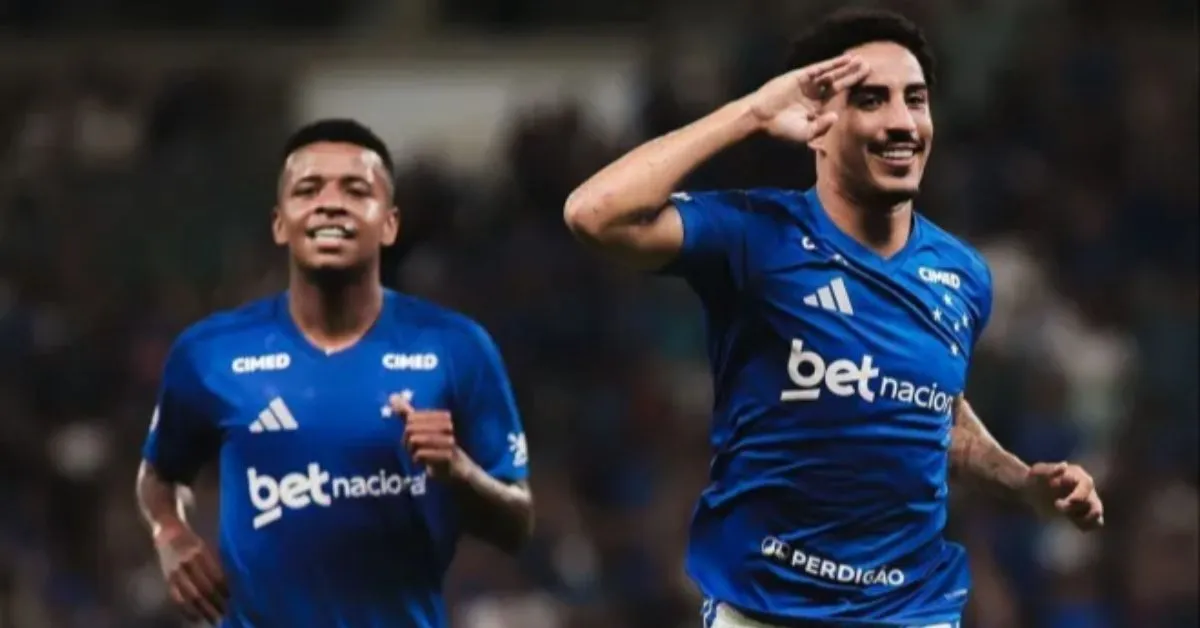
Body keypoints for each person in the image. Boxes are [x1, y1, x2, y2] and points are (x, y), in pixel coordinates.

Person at [564, 9, 1103, 628]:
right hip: (763, 608)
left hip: (911, 610)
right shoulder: (753, 236)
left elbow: (930, 413)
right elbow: (594, 214)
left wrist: (1022, 482)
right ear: (817, 123)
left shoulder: (963, 276)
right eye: (871, 100)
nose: (902, 122)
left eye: (915, 100)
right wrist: (753, 113)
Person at [135, 119, 534, 627]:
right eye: (307, 190)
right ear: (280, 223)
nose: (330, 203)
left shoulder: (456, 347)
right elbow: (159, 475)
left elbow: (517, 524)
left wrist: (457, 470)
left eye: (356, 190)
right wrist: (171, 533)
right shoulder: (209, 353)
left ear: (389, 223)